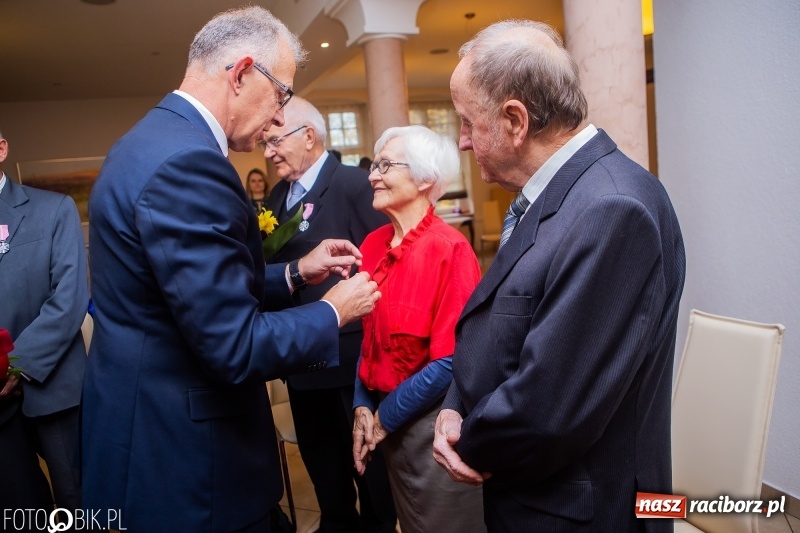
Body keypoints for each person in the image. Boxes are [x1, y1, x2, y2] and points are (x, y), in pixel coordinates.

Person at [81, 7, 381, 532]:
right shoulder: (189, 164)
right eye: (283, 94)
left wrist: (293, 273)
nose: (280, 117)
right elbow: (234, 345)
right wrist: (334, 311)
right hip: (189, 462)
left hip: (142, 433)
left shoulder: (145, 142)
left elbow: (187, 290)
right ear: (242, 73)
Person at [432, 20, 686, 533]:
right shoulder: (555, 194)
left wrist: (464, 437)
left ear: (514, 120)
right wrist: (453, 405)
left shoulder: (611, 208)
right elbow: (497, 332)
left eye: (466, 122)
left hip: (580, 511)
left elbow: (548, 407)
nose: (461, 142)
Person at [262, 96, 397, 533]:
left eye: (275, 140)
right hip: (300, 362)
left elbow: (382, 266)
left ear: (309, 136)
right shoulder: (279, 195)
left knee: (371, 472)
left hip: (351, 366)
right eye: (265, 143)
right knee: (325, 471)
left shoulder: (355, 185)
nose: (268, 152)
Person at [352, 125, 485, 533]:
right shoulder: (372, 245)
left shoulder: (451, 250)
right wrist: (361, 404)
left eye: (385, 165)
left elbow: (451, 361)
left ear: (426, 179)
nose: (373, 175)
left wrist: (382, 419)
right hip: (386, 423)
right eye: (374, 165)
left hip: (432, 428)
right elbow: (369, 337)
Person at [1, 129, 87, 515]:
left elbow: (69, 301)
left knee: (77, 502)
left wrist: (14, 365)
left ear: (1, 148)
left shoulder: (54, 209)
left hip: (53, 389)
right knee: (19, 508)